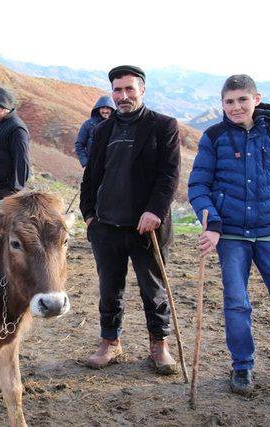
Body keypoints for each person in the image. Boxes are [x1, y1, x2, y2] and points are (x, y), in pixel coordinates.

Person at [188, 74, 270, 397]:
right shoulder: (213, 137)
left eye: (242, 99)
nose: (236, 107)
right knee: (237, 303)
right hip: (232, 236)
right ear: (222, 104)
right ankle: (242, 367)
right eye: (229, 101)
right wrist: (211, 225)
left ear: (256, 99)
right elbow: (198, 186)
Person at [80, 65, 181, 374]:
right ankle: (110, 342)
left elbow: (169, 175)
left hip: (146, 227)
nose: (123, 96)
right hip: (107, 226)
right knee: (110, 289)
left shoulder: (163, 126)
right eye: (118, 90)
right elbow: (92, 174)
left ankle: (159, 345)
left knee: (153, 290)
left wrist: (155, 211)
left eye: (129, 89)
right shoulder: (102, 130)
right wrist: (88, 215)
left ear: (142, 90)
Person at [0, 87, 30, 206]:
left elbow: (22, 162)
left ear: (3, 108)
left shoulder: (17, 129)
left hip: (3, 194)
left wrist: (13, 193)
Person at [75, 96, 115, 167]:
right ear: (98, 109)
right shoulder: (88, 124)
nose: (105, 111)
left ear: (112, 109)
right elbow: (79, 144)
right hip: (92, 165)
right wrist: (85, 162)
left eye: (108, 108)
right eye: (103, 108)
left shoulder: (116, 124)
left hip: (111, 167)